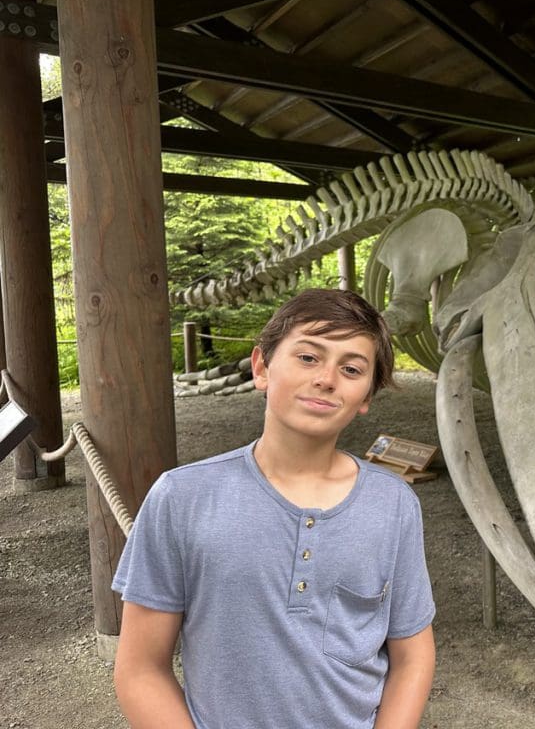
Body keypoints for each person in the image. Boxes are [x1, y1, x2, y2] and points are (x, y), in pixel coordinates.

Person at [112, 288, 436, 729]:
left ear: (366, 397)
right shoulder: (181, 497)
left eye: (352, 368)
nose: (327, 378)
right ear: (262, 366)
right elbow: (141, 668)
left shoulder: (393, 503)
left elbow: (412, 654)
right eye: (308, 357)